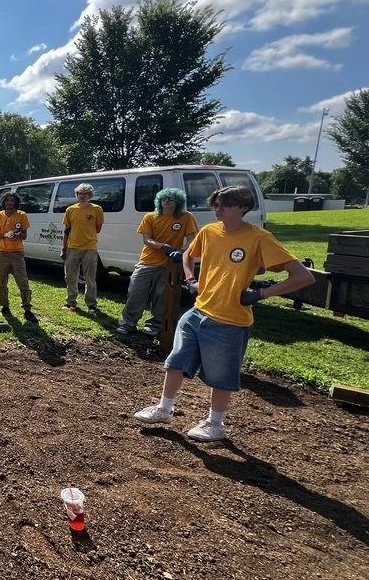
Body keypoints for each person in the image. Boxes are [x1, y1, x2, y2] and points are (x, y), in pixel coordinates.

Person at [134, 185, 314, 442]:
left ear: (243, 207)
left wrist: (260, 294)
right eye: (215, 205)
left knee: (220, 376)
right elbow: (187, 255)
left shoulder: (258, 237)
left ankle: (215, 423)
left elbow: (302, 276)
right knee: (175, 362)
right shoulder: (208, 232)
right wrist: (190, 279)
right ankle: (164, 408)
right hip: (198, 312)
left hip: (231, 320)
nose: (217, 210)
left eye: (224, 205)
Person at [116, 188, 198, 336]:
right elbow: (146, 239)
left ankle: (155, 325)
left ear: (178, 202)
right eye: (163, 199)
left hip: (169, 264)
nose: (166, 201)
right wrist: (163, 247)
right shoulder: (150, 217)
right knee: (135, 292)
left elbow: (192, 238)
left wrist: (181, 252)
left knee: (161, 296)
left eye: (170, 199)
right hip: (147, 261)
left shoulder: (186, 217)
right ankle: (128, 323)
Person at [0, 192, 38, 323]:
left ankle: (27, 308)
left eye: (12, 201)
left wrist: (16, 235)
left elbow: (24, 236)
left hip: (17, 252)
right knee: (2, 281)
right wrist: (5, 235)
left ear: (16, 203)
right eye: (7, 200)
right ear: (4, 202)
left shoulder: (22, 215)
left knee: (23, 281)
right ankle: (5, 306)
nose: (9, 203)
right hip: (2, 252)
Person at [61, 183, 104, 314]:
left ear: (90, 195)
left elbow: (98, 228)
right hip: (72, 247)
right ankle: (71, 302)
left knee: (90, 277)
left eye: (85, 193)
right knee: (70, 276)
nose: (82, 196)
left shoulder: (97, 209)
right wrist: (64, 248)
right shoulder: (70, 209)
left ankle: (91, 305)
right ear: (77, 195)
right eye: (80, 193)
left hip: (90, 248)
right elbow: (67, 230)